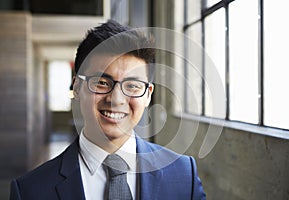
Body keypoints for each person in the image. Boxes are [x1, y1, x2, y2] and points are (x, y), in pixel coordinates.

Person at [10, 20, 206, 200]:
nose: (116, 100)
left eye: (132, 86)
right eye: (102, 83)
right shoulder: (30, 191)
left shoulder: (183, 174)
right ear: (77, 87)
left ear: (148, 95)